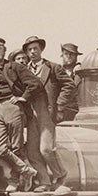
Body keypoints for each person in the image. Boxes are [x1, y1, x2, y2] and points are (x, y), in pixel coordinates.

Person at [0, 38, 40, 192]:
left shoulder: (14, 67)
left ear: (4, 51)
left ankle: (14, 181)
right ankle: (26, 170)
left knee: (16, 147)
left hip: (13, 107)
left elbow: (34, 83)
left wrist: (23, 97)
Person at [22, 35, 74, 187]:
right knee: (32, 152)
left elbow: (69, 85)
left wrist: (60, 105)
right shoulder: (24, 70)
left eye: (35, 49)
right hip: (31, 114)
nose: (32, 52)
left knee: (45, 149)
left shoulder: (53, 67)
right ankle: (44, 182)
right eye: (30, 49)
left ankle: (60, 174)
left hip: (47, 112)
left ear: (41, 50)